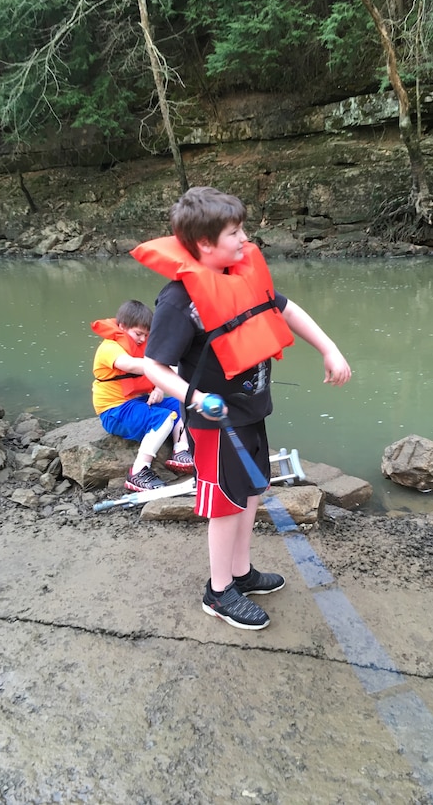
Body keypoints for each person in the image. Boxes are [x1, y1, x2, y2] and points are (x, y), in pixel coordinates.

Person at [131, 187, 351, 630]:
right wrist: (193, 398)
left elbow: (285, 309)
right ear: (205, 244)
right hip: (215, 422)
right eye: (236, 232)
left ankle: (240, 572)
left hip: (251, 411)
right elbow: (153, 366)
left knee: (250, 494)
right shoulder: (178, 300)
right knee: (226, 504)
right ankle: (218, 590)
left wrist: (329, 348)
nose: (246, 239)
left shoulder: (240, 272)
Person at [91, 299, 194, 491]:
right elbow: (129, 365)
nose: (141, 339)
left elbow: (154, 374)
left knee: (182, 404)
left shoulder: (143, 344)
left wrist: (158, 387)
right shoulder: (109, 347)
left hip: (140, 401)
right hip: (115, 410)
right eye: (138, 334)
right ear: (122, 326)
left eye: (145, 335)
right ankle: (138, 471)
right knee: (164, 418)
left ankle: (181, 451)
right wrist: (163, 368)